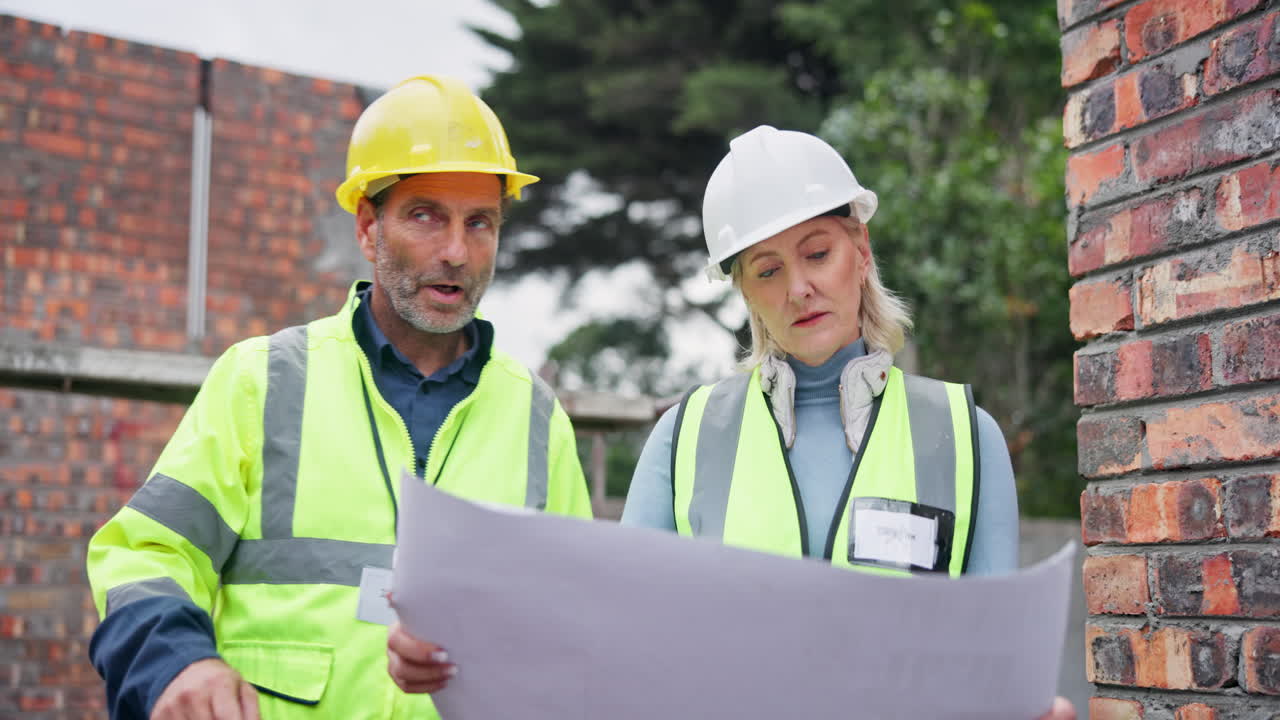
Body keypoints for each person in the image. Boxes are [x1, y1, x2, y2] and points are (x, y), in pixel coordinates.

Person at [85, 75, 592, 720]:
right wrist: (178, 663)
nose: (456, 252)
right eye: (426, 216)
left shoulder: (537, 418)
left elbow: (571, 624)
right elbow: (144, 553)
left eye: (480, 222)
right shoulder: (261, 380)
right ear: (368, 228)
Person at [618, 125, 1075, 719]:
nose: (799, 289)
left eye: (817, 254)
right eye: (767, 271)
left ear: (860, 251)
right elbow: (630, 651)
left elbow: (991, 676)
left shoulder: (965, 437)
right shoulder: (684, 440)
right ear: (745, 292)